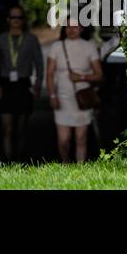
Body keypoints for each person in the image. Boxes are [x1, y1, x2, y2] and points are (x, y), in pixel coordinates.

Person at [0, 8, 42, 162]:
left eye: (19, 17)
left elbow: (39, 64)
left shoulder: (31, 40)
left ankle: (19, 160)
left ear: (23, 19)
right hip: (5, 85)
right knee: (7, 127)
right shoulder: (0, 40)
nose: (16, 20)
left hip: (24, 85)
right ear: (8, 19)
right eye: (13, 17)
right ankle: (7, 161)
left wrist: (38, 84)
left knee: (21, 128)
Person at [46, 19, 102, 162]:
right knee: (64, 140)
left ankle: (80, 169)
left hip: (82, 97)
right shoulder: (57, 46)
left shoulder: (89, 46)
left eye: (75, 27)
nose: (71, 30)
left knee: (81, 138)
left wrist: (82, 77)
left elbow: (99, 75)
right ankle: (65, 163)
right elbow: (50, 73)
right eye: (68, 27)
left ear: (81, 28)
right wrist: (52, 95)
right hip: (62, 97)